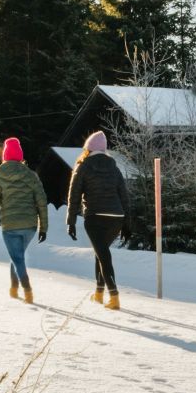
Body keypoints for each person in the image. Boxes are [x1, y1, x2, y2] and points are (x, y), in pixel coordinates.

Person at [66, 130, 129, 311]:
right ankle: (99, 293)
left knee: (103, 255)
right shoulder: (114, 167)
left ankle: (114, 296)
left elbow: (74, 195)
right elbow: (124, 196)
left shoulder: (83, 166)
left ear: (88, 149)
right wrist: (127, 223)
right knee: (100, 253)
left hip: (95, 217)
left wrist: (70, 221)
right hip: (116, 217)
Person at [0, 137, 47, 304]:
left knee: (17, 258)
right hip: (30, 227)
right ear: (20, 156)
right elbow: (41, 201)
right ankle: (13, 288)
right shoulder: (31, 175)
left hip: (10, 226)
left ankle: (27, 290)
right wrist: (43, 228)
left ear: (5, 156)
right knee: (17, 256)